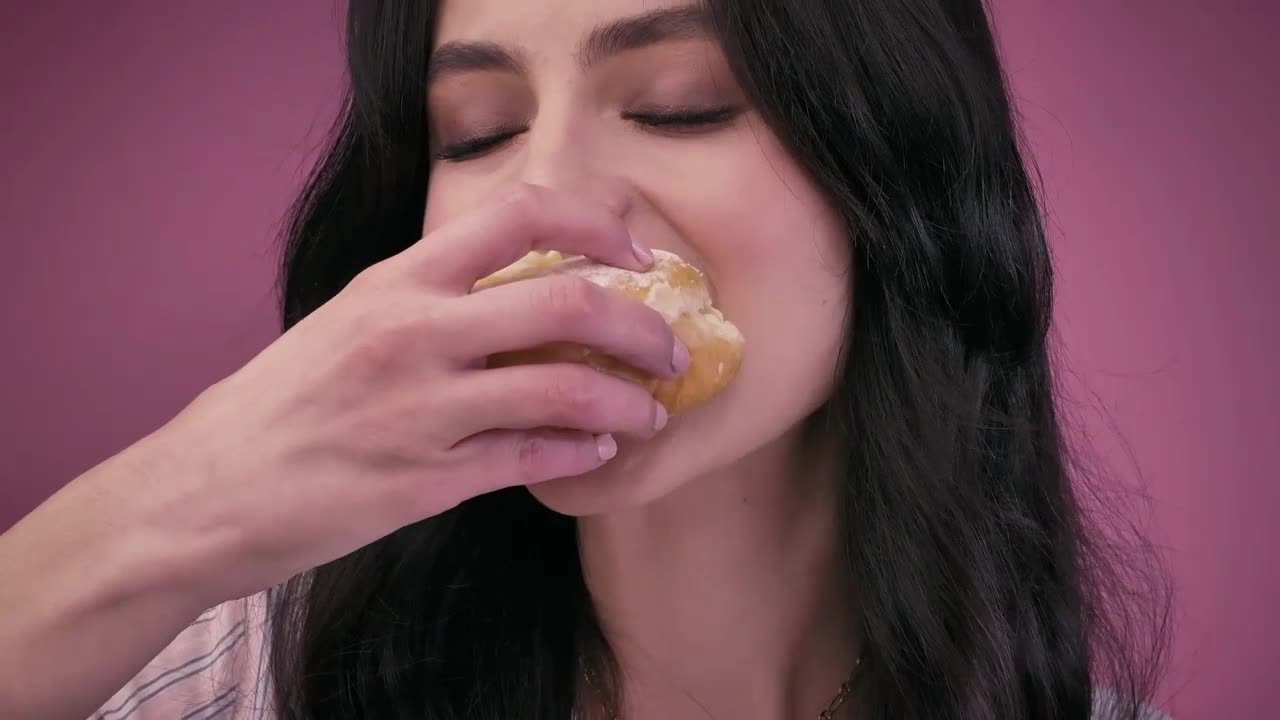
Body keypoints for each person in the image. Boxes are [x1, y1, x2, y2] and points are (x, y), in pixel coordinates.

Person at [0, 0, 1173, 718]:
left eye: (680, 105)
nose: (542, 196)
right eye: (477, 132)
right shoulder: (249, 680)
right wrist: (163, 511)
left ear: (892, 183)